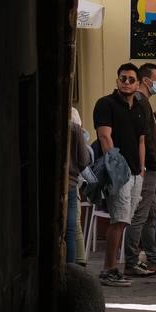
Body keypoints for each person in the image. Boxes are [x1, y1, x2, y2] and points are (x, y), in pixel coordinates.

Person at [92, 63, 147, 288]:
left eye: (131, 79)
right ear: (117, 81)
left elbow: (142, 140)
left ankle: (114, 267)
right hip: (119, 172)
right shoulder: (106, 104)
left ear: (138, 83)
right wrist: (116, 168)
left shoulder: (140, 108)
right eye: (122, 78)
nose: (126, 82)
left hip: (136, 173)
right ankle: (109, 269)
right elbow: (105, 137)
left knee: (124, 221)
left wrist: (142, 169)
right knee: (118, 219)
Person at [123, 63, 156, 277]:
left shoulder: (143, 103)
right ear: (145, 80)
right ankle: (132, 261)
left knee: (152, 213)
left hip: (151, 165)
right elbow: (143, 139)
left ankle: (153, 258)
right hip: (147, 167)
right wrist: (145, 164)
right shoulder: (141, 103)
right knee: (141, 214)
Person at [65, 106, 92, 266]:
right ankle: (72, 266)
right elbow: (84, 161)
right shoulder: (74, 128)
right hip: (70, 183)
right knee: (71, 227)